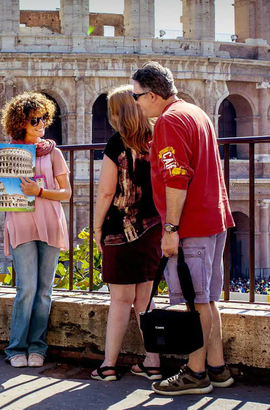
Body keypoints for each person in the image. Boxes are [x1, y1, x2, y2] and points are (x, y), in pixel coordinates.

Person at [131, 61, 236, 396]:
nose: (135, 103)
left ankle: (195, 373)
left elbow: (176, 177)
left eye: (136, 97)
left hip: (192, 224)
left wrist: (171, 228)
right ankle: (217, 368)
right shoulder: (195, 112)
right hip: (213, 219)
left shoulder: (169, 121)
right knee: (206, 300)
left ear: (151, 95)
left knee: (195, 302)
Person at [0, 92, 71, 369]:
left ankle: (37, 346)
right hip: (21, 224)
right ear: (21, 123)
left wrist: (40, 190)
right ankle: (16, 348)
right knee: (26, 288)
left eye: (44, 118)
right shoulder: (6, 154)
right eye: (35, 119)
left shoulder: (53, 152)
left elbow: (66, 193)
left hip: (50, 224)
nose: (41, 124)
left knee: (44, 291)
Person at [90, 85, 163, 382]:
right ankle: (153, 362)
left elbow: (107, 191)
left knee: (120, 300)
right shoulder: (156, 139)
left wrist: (96, 227)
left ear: (117, 113)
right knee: (145, 300)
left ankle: (108, 365)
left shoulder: (116, 144)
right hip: (152, 228)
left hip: (119, 231)